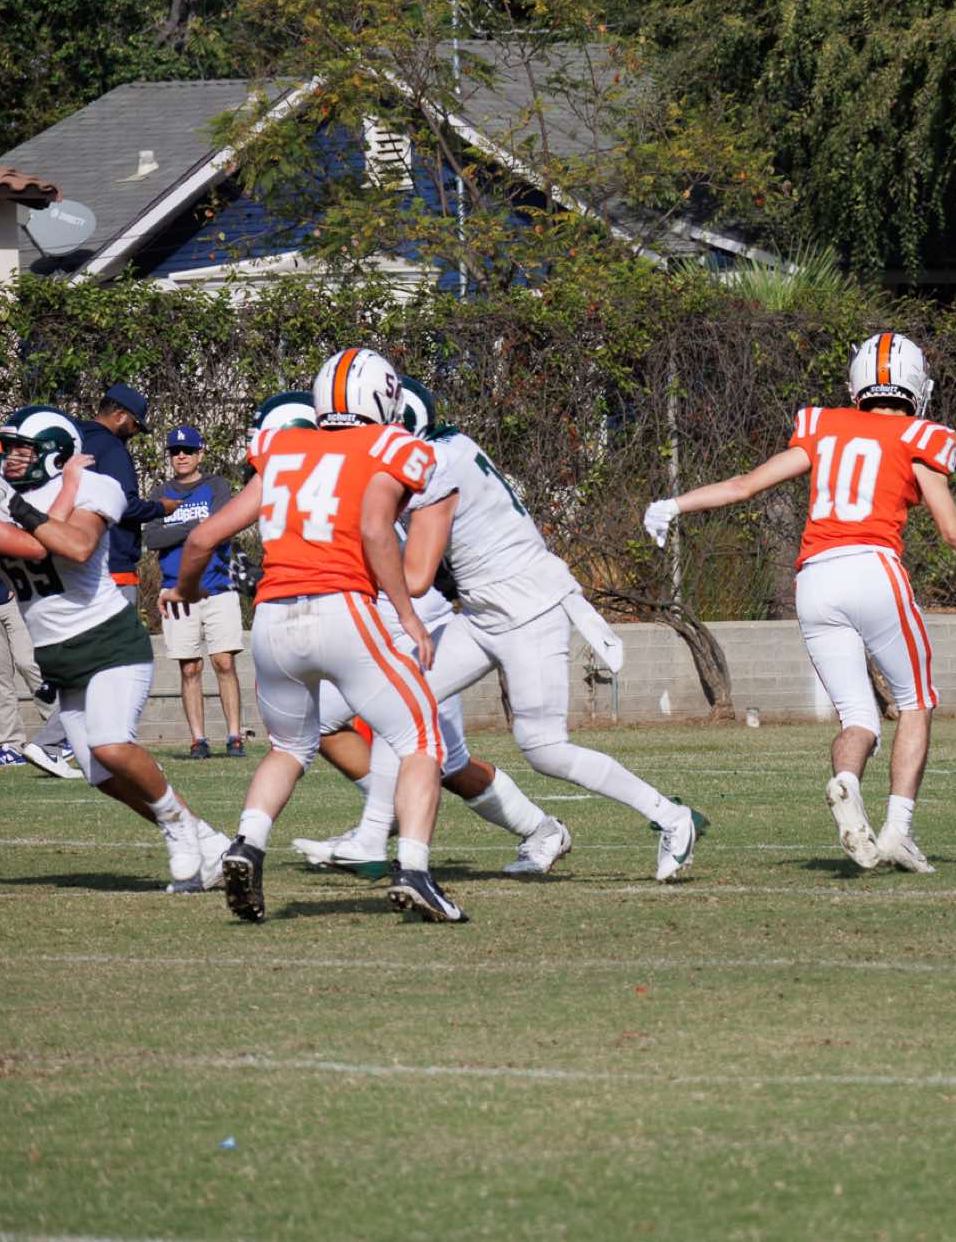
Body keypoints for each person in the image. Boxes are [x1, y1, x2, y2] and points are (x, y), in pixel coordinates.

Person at [643, 332, 956, 872]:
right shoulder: (920, 434)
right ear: (916, 385)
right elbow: (953, 529)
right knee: (916, 702)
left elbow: (745, 485)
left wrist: (673, 504)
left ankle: (846, 780)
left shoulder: (824, 426)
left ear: (857, 384)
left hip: (814, 579)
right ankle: (897, 832)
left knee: (858, 717)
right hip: (873, 568)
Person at [297, 376, 658, 879]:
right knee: (348, 722)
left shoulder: (428, 467)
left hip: (432, 619)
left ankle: (550, 827)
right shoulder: (437, 454)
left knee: (472, 755)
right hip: (425, 619)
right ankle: (379, 827)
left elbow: (414, 571)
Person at [174, 347, 463, 923]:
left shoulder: (282, 446)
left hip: (272, 617)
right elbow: (376, 529)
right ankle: (414, 870)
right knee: (423, 741)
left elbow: (203, 538)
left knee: (288, 747)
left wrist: (185, 589)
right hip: (341, 608)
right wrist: (407, 614)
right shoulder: (390, 444)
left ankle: (247, 844)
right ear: (383, 398)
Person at [0, 405, 229, 891]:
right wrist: (22, 502)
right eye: (8, 448)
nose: (11, 458)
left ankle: (179, 828)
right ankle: (207, 840)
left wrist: (25, 502)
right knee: (100, 774)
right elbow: (33, 545)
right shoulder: (18, 495)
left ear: (56, 452)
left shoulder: (94, 484)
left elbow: (76, 546)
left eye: (23, 449)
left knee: (111, 744)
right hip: (58, 657)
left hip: (108, 640)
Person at [143, 424, 247, 759]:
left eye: (188, 450)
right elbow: (152, 538)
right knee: (189, 668)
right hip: (175, 590)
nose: (181, 456)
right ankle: (198, 739)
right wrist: (196, 527)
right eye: (175, 451)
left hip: (217, 586)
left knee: (223, 662)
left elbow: (221, 527)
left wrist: (178, 527)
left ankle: (234, 736)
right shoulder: (160, 492)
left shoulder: (216, 486)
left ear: (200, 454)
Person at [77, 384, 163, 606]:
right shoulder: (112, 448)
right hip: (113, 567)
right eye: (136, 424)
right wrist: (161, 508)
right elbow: (125, 505)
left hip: (76, 567)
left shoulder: (73, 440)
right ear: (120, 416)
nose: (135, 432)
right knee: (121, 630)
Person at [0, 569, 79, 776]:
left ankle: (63, 735)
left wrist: (12, 583)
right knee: (0, 677)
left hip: (14, 601)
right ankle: (10, 744)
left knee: (29, 663)